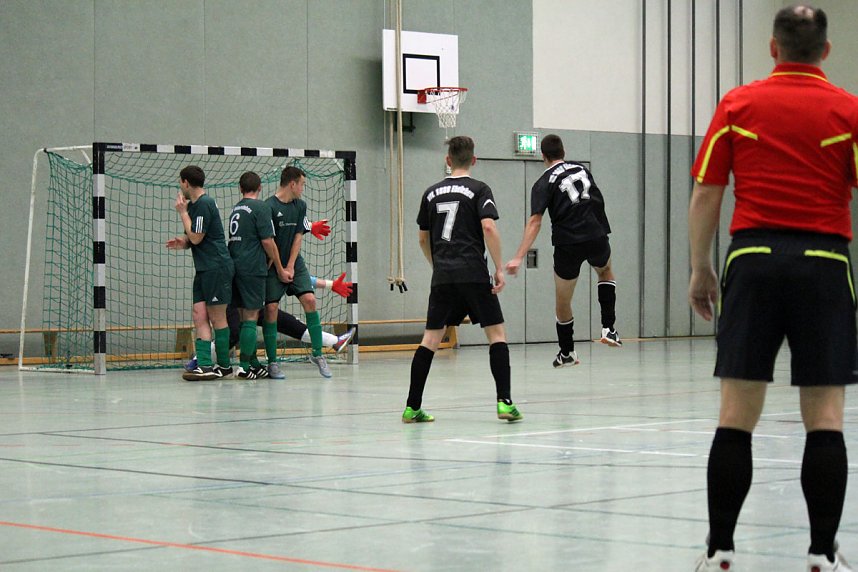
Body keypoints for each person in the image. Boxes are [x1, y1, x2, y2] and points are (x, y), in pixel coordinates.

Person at [688, 6, 857, 571]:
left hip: (753, 261)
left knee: (736, 415)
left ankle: (720, 550)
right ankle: (819, 552)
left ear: (773, 47)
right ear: (826, 51)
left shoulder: (738, 104)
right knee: (825, 417)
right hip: (824, 265)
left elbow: (708, 192)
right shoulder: (849, 110)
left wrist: (700, 267)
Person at [403, 135, 522, 423]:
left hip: (443, 275)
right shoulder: (479, 189)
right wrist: (498, 268)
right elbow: (489, 228)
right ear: (473, 159)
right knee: (497, 335)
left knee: (430, 339)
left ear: (447, 161)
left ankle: (411, 407)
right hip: (473, 271)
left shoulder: (430, 193)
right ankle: (504, 403)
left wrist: (438, 265)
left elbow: (422, 238)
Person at [504, 134, 621, 369]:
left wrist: (518, 256)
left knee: (563, 300)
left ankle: (567, 352)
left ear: (543, 156)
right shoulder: (582, 169)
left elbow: (535, 222)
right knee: (605, 271)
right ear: (564, 152)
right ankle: (609, 328)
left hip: (567, 242)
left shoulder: (542, 182)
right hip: (595, 233)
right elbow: (597, 199)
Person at [184, 275, 356, 373]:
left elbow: (297, 277)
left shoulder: (275, 259)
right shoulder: (249, 253)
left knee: (285, 321)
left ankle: (334, 342)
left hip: (255, 304)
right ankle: (200, 359)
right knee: (233, 334)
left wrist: (331, 284)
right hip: (233, 301)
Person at [166, 165, 235, 381]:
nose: (180, 186)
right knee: (199, 314)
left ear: (186, 183)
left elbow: (197, 237)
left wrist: (182, 213)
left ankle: (223, 365)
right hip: (203, 268)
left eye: (180, 182)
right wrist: (183, 242)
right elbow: (194, 237)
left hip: (216, 267)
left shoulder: (203, 203)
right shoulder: (195, 205)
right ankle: (205, 364)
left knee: (217, 317)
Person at [263, 166, 331, 379]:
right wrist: (281, 269)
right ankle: (272, 362)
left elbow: (298, 236)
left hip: (294, 262)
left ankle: (318, 354)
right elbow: (269, 242)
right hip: (273, 263)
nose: (303, 188)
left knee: (310, 300)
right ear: (292, 184)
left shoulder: (300, 206)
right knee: (271, 308)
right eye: (302, 184)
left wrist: (291, 265)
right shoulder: (268, 207)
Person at [227, 171, 285, 380]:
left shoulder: (236, 209)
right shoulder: (261, 208)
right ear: (260, 188)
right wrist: (278, 266)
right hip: (252, 268)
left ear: (240, 188)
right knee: (252, 317)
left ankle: (252, 362)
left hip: (235, 266)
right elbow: (267, 241)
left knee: (244, 318)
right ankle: (243, 367)